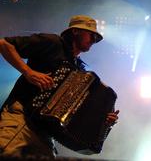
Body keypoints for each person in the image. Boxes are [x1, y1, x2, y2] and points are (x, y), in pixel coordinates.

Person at [0, 15, 119, 159]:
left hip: (46, 132)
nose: (94, 40)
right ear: (75, 31)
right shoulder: (53, 42)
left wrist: (103, 121)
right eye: (91, 34)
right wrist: (28, 72)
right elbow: (4, 44)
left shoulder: (79, 70)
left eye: (96, 37)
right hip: (22, 118)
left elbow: (78, 114)